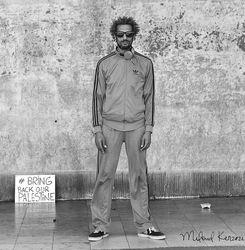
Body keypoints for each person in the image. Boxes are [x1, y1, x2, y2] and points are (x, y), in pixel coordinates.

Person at [89, 16, 165, 241]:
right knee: (104, 176)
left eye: (128, 34)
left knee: (139, 176)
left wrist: (148, 129)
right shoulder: (104, 64)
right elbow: (97, 97)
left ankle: (145, 225)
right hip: (109, 127)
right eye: (120, 34)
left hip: (137, 127)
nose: (124, 38)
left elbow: (149, 97)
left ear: (134, 36)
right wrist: (97, 130)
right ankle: (99, 226)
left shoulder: (145, 63)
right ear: (115, 36)